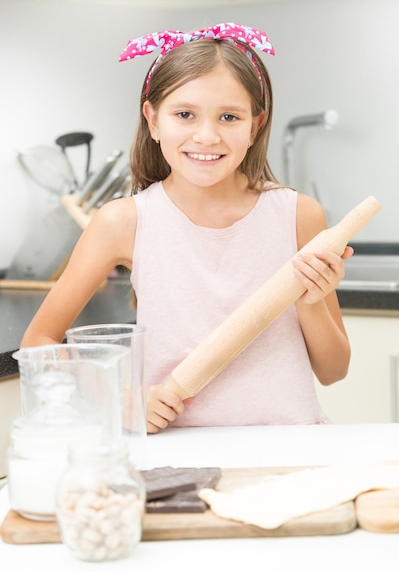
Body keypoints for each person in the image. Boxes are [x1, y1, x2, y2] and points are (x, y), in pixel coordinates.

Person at [21, 22, 353, 433]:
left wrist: (310, 299)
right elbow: (38, 344)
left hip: (291, 443)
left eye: (229, 116)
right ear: (153, 120)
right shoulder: (123, 221)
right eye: (184, 114)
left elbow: (334, 370)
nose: (207, 135)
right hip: (175, 451)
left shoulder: (299, 215)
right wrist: (120, 399)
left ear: (255, 126)